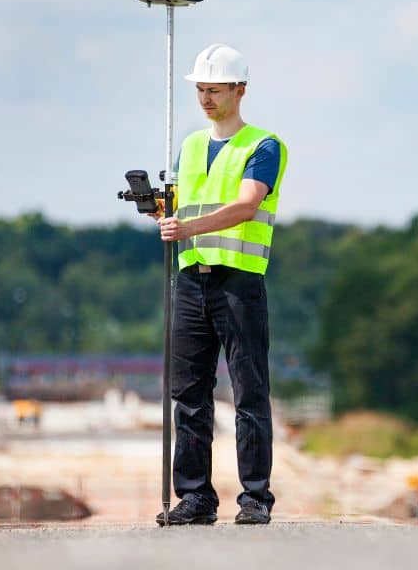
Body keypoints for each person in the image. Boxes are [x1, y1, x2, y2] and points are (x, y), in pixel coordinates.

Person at [154, 43, 287, 526]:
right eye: (201, 90)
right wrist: (162, 213)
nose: (206, 98)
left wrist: (188, 228)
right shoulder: (189, 146)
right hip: (190, 280)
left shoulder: (263, 146)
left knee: (250, 393)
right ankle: (195, 497)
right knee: (189, 394)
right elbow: (182, 205)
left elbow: (248, 205)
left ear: (240, 90)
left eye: (214, 90)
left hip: (239, 282)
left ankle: (255, 499)